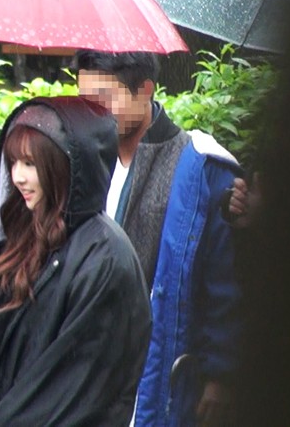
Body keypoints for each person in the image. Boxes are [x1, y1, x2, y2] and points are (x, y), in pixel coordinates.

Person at [0, 96, 152, 426]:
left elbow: (75, 391)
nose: (17, 176)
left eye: (30, 163)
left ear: (65, 166)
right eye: (13, 162)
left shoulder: (106, 258)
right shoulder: (14, 242)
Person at [76, 51, 243, 427]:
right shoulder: (83, 158)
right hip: (92, 365)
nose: (95, 113)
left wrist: (220, 374)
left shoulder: (200, 166)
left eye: (104, 99)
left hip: (162, 366)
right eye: (85, 101)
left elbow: (225, 280)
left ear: (145, 90)